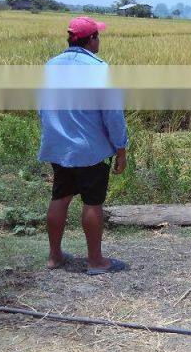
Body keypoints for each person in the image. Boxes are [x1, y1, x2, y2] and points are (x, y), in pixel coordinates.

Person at [38, 17, 129, 275]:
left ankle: (54, 257)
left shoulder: (52, 65)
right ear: (90, 40)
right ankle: (96, 261)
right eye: (97, 36)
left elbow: (43, 107)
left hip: (59, 146)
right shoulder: (98, 68)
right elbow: (112, 114)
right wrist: (120, 148)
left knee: (60, 197)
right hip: (90, 149)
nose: (99, 40)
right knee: (93, 202)